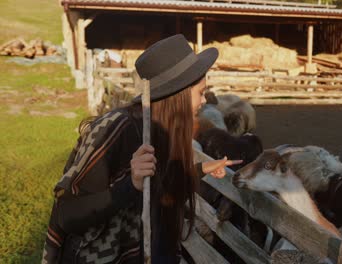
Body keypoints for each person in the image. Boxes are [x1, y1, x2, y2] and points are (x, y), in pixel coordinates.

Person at [42, 34, 242, 264]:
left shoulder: (162, 131)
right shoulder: (117, 130)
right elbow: (67, 214)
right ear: (178, 94)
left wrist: (201, 168)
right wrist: (130, 185)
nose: (205, 101)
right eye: (200, 92)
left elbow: (159, 185)